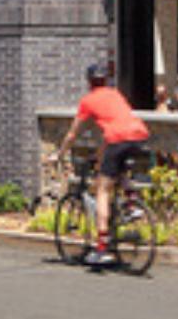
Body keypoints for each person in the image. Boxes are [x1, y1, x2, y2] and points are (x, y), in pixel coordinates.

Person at [56, 63, 151, 268]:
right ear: (105, 80)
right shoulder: (115, 94)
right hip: (139, 136)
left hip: (117, 140)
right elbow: (115, 128)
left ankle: (101, 248)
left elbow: (73, 134)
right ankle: (132, 203)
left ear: (89, 82)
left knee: (102, 190)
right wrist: (99, 155)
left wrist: (60, 154)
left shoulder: (88, 101)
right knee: (118, 169)